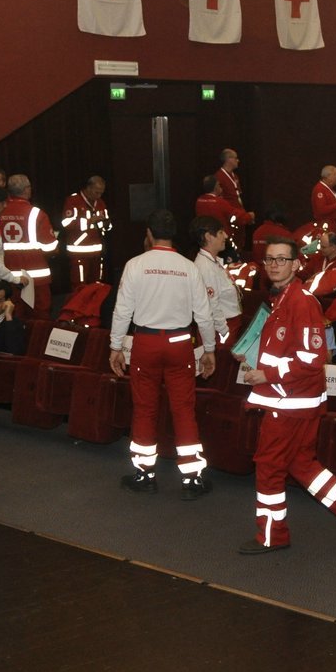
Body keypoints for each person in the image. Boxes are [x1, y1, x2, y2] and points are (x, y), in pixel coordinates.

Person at [239, 237, 336, 555]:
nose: (274, 264)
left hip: (289, 404)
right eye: (269, 259)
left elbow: (312, 359)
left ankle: (271, 535)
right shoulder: (281, 299)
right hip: (292, 400)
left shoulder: (300, 301)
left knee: (268, 465)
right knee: (302, 464)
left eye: (281, 259)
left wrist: (268, 374)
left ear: (295, 264)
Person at [108, 210, 217, 499]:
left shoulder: (135, 265)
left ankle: (145, 474)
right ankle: (192, 479)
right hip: (181, 342)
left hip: (145, 342)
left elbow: (122, 311)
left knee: (145, 408)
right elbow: (204, 316)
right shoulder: (188, 268)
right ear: (174, 234)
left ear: (149, 233)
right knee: (183, 409)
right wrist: (209, 350)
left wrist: (116, 346)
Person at [0, 174, 57, 318]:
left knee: (13, 315)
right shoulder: (36, 214)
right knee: (40, 317)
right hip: (36, 277)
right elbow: (49, 247)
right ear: (27, 190)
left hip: (8, 275)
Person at [191, 216, 240, 351]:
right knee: (220, 370)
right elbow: (212, 305)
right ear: (208, 237)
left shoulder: (214, 262)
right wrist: (225, 332)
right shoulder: (205, 267)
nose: (225, 236)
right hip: (219, 332)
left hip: (225, 327)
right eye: (220, 232)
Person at [61, 175, 111, 286]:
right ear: (88, 188)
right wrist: (90, 221)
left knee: (96, 285)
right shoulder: (73, 201)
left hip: (97, 253)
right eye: (96, 192)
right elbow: (65, 223)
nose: (99, 195)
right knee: (79, 286)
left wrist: (107, 224)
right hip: (79, 252)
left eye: (101, 193)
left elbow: (107, 224)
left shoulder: (100, 203)